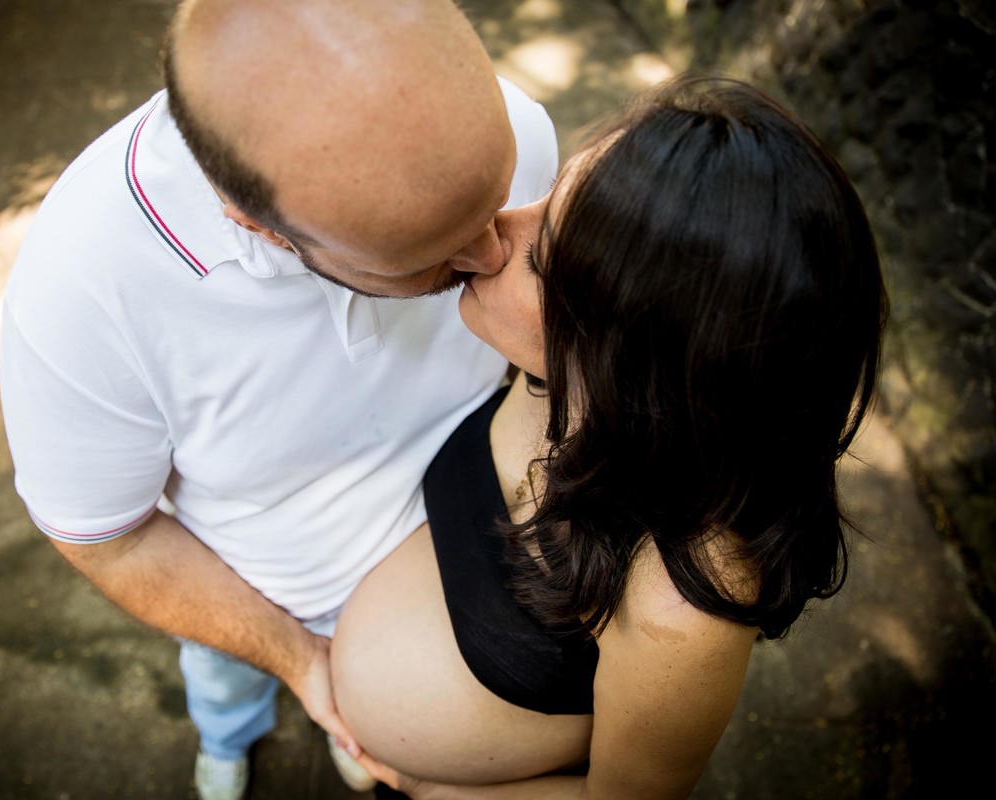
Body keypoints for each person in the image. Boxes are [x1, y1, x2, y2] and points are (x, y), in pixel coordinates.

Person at [0, 1, 558, 798]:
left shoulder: (511, 130)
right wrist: (301, 661)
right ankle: (228, 740)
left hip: (457, 551)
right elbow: (109, 539)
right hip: (258, 593)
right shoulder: (81, 295)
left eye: (497, 201)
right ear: (261, 229)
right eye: (429, 257)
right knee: (225, 683)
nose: (495, 252)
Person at [330, 74, 890, 799]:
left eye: (543, 259)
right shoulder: (558, 378)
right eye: (550, 194)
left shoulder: (682, 602)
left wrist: (435, 789)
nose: (494, 231)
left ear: (639, 369)